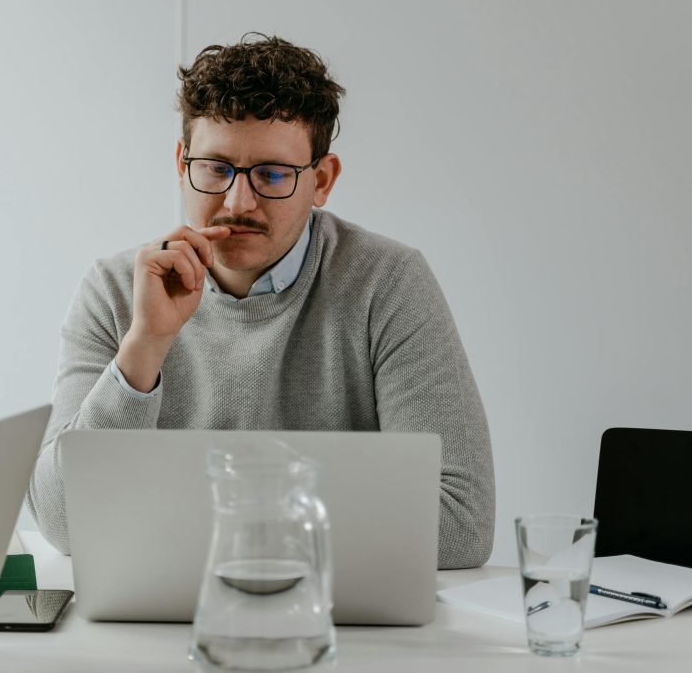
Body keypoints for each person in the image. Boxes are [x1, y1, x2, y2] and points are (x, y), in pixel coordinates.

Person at [27, 34, 494, 569]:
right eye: (216, 168)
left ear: (321, 180)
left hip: (336, 630)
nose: (237, 202)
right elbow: (64, 523)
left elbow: (462, 523)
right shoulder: (113, 289)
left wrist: (205, 525)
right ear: (183, 164)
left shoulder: (387, 283)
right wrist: (144, 349)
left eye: (272, 175)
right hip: (156, 632)